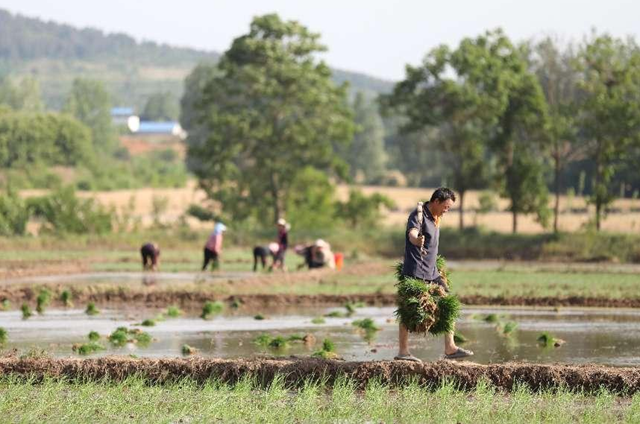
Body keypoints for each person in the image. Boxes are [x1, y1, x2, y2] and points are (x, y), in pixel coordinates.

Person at [395, 187, 473, 362]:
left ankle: (450, 347)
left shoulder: (436, 217)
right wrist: (416, 240)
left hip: (432, 271)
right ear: (436, 202)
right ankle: (403, 351)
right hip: (415, 269)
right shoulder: (418, 214)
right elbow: (412, 233)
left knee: (448, 301)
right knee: (408, 309)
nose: (447, 210)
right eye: (446, 207)